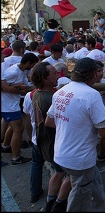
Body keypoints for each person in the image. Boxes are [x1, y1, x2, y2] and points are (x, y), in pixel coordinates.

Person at [45, 57, 105, 211]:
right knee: (79, 197)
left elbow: (49, 121)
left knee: (94, 185)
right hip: (80, 158)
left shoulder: (61, 91)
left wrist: (71, 126)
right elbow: (104, 131)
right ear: (93, 74)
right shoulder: (91, 95)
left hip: (62, 152)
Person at [29, 62, 71, 211]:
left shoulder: (36, 93)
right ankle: (59, 204)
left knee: (58, 172)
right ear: (45, 78)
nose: (57, 76)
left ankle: (49, 203)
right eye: (54, 73)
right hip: (54, 143)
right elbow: (53, 123)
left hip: (44, 141)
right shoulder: (51, 98)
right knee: (71, 175)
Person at [1, 53, 39, 165]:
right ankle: (15, 158)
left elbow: (13, 85)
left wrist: (21, 87)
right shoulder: (12, 72)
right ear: (28, 63)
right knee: (19, 129)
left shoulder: (20, 71)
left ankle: (6, 146)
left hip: (12, 103)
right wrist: (21, 91)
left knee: (13, 127)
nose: (32, 67)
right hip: (9, 105)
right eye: (32, 65)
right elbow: (4, 87)